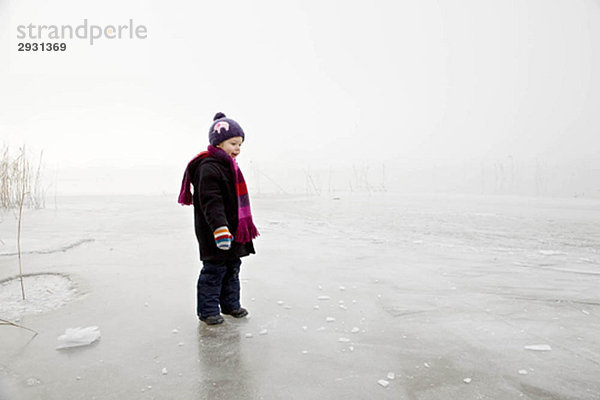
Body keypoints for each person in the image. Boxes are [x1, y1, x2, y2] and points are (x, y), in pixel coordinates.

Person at [178, 112, 259, 325]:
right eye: (233, 143)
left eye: (240, 144)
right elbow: (210, 201)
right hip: (215, 230)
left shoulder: (229, 166)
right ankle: (207, 310)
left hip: (232, 228)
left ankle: (230, 305)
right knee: (214, 269)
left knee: (233, 267)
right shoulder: (208, 167)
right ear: (219, 142)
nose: (238, 149)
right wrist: (220, 228)